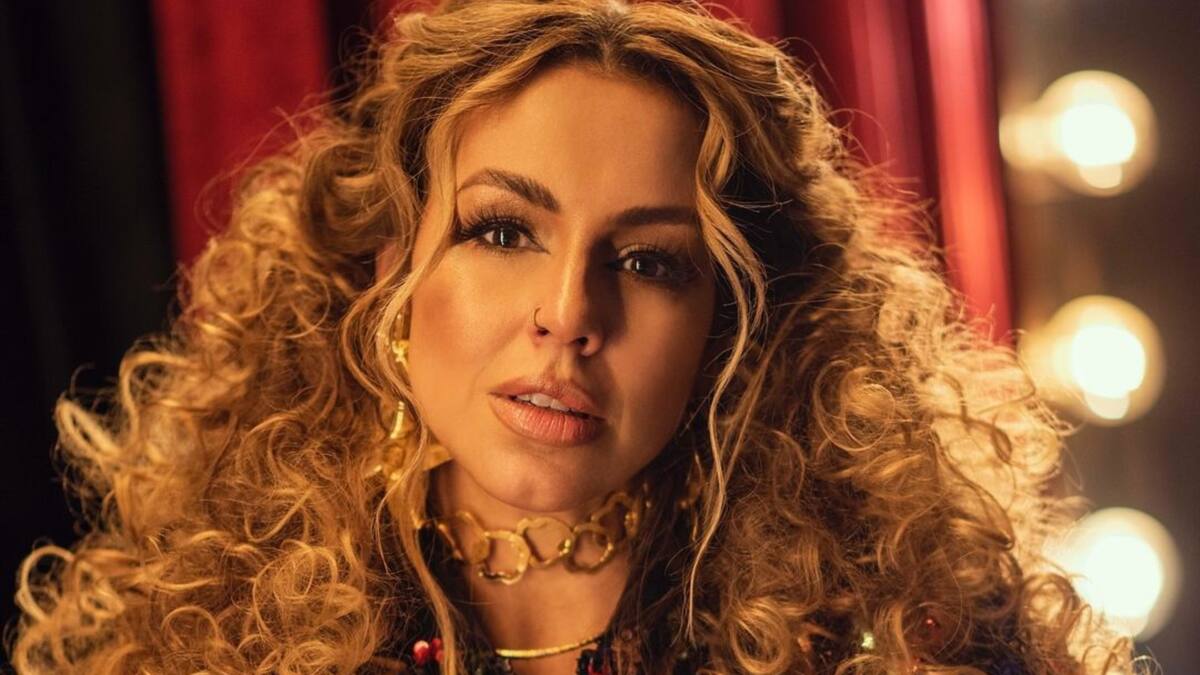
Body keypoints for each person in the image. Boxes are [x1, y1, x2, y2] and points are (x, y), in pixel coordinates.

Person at [8, 1, 1134, 673]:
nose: (569, 313)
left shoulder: (901, 632)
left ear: (730, 326)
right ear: (392, 266)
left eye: (648, 261)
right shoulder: (207, 623)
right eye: (502, 231)